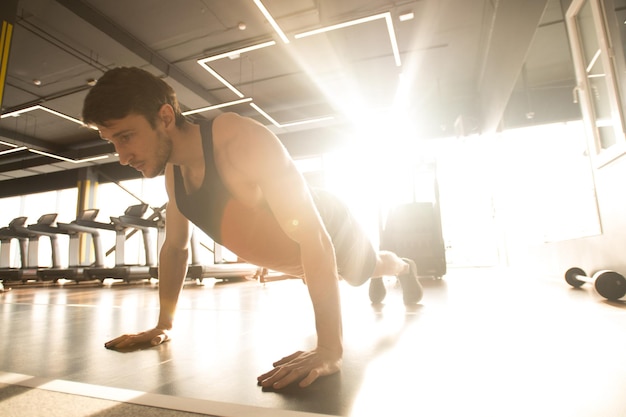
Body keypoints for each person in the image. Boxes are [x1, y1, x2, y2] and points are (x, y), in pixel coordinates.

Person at [81, 67, 423, 390]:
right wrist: (163, 325)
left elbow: (314, 237)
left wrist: (329, 349)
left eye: (126, 136)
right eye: (113, 142)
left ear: (165, 117)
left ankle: (405, 267)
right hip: (297, 252)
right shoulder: (174, 174)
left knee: (363, 271)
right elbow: (175, 247)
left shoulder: (238, 139)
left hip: (326, 226)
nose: (122, 156)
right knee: (342, 271)